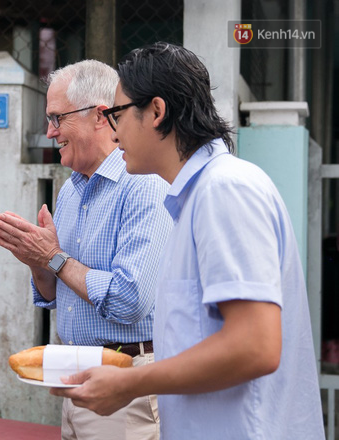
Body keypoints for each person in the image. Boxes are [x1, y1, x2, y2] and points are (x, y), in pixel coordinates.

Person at [52, 42, 325, 439]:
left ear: (157, 112)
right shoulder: (192, 196)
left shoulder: (224, 189)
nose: (113, 130)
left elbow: (255, 346)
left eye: (117, 114)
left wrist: (128, 383)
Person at [0, 60, 172, 440]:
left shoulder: (143, 184)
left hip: (126, 380)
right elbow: (57, 294)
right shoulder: (72, 189)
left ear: (100, 117)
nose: (49, 132)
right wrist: (38, 263)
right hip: (75, 379)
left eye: (57, 118)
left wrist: (54, 258)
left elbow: (130, 300)